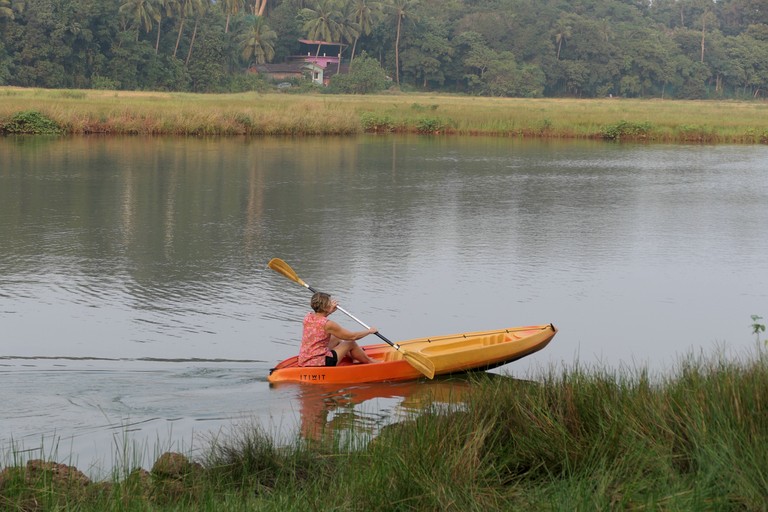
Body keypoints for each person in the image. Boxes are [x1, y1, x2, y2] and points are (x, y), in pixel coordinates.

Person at [299, 291, 379, 367]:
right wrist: (369, 331)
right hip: (322, 361)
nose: (331, 304)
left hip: (305, 359)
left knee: (336, 337)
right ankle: (370, 362)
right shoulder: (328, 324)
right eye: (329, 303)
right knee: (350, 343)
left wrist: (329, 311)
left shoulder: (307, 317)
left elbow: (320, 321)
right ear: (325, 307)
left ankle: (354, 357)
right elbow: (352, 336)